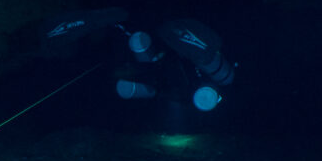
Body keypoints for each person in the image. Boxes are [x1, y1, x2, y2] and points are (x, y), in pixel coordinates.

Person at [40, 10, 236, 112]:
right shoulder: (164, 79)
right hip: (161, 68)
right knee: (138, 56)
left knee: (138, 55)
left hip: (159, 68)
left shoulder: (162, 79)